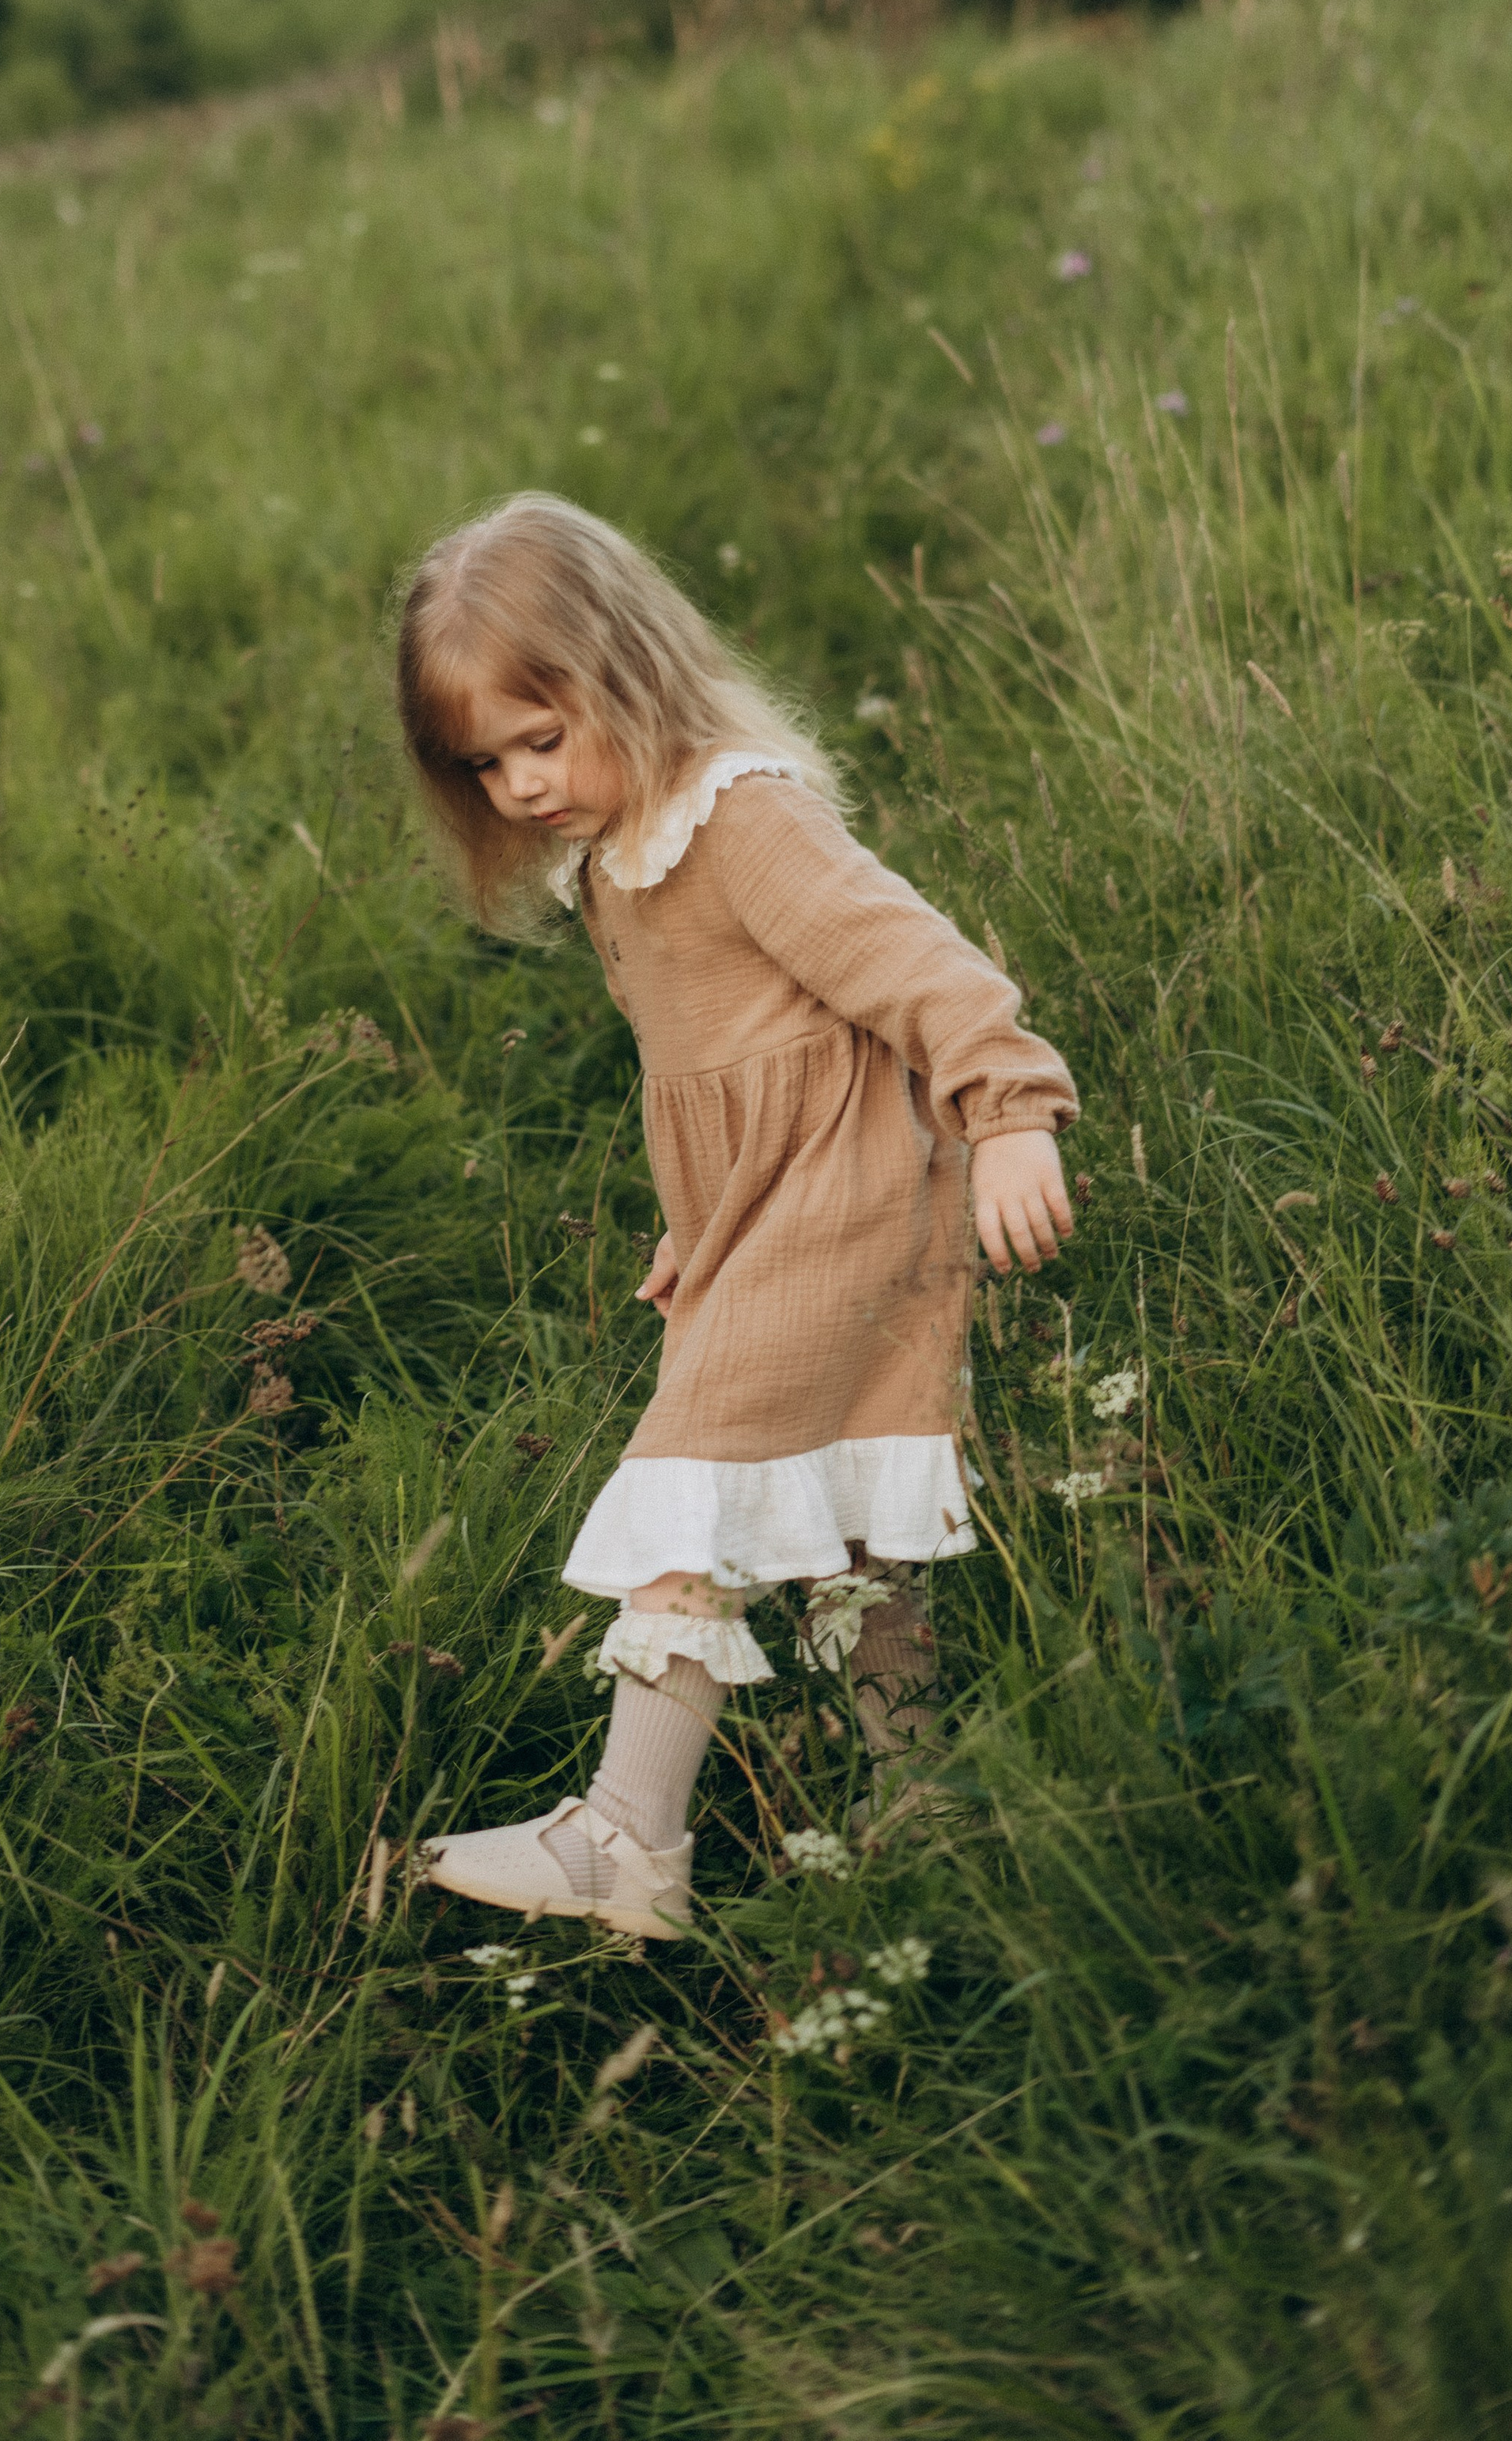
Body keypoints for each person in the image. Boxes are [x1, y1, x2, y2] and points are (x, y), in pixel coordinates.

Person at [395, 494, 1079, 1939]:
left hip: (852, 1204)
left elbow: (920, 969)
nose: (521, 785)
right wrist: (697, 1235)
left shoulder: (739, 817)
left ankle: (627, 1841)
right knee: (847, 1518)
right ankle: (921, 1804)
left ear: (629, 674)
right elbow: (717, 1082)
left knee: (692, 1482)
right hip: (768, 1218)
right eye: (487, 761)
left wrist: (1011, 1114)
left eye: (543, 736)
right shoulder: (618, 854)